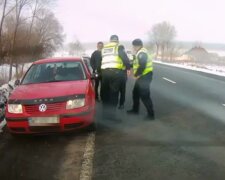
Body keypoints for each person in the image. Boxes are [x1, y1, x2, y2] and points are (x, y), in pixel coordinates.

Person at [101, 35, 130, 121]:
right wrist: (128, 68)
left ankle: (104, 115)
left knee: (105, 94)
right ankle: (111, 117)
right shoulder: (118, 47)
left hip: (105, 73)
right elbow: (125, 59)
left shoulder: (104, 48)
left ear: (110, 40)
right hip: (115, 73)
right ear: (117, 41)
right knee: (114, 94)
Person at [127, 39, 155, 120]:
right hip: (143, 76)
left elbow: (142, 65)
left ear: (137, 46)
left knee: (145, 96)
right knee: (135, 93)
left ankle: (151, 115)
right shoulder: (140, 52)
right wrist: (129, 66)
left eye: (134, 46)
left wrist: (136, 75)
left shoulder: (142, 53)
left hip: (145, 76)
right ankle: (135, 110)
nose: (133, 48)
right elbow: (137, 63)